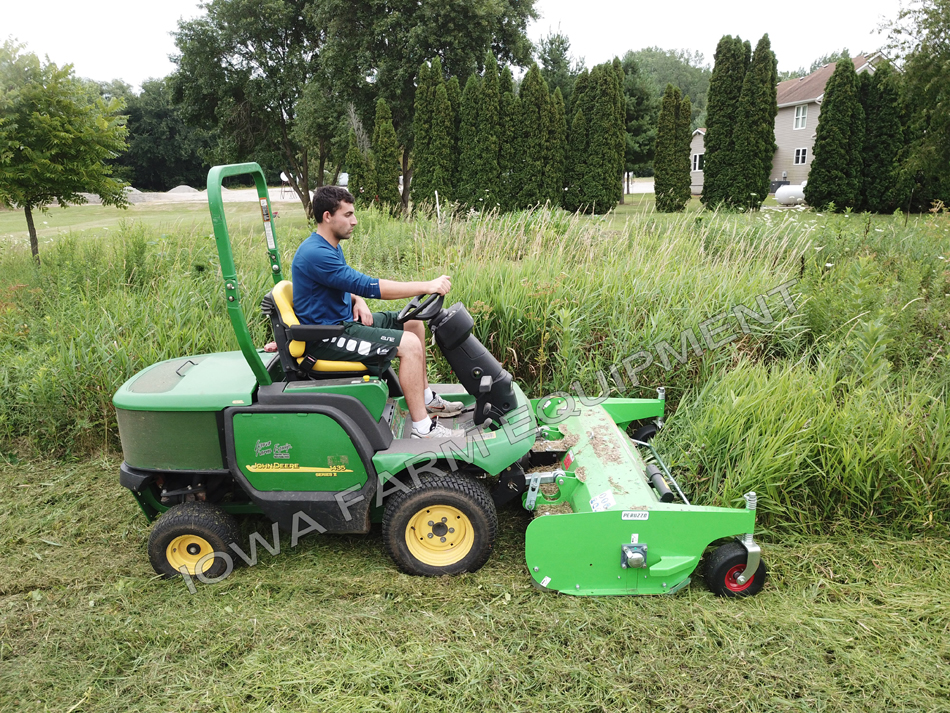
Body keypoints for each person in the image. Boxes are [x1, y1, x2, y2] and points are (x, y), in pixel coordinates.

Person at [292, 186, 464, 439]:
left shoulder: (328, 246)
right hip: (327, 337)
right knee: (409, 345)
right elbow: (369, 286)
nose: (354, 221)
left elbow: (340, 285)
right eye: (348, 214)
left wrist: (356, 300)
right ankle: (422, 429)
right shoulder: (316, 253)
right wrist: (426, 285)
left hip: (344, 323)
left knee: (413, 322)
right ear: (327, 216)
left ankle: (426, 398)